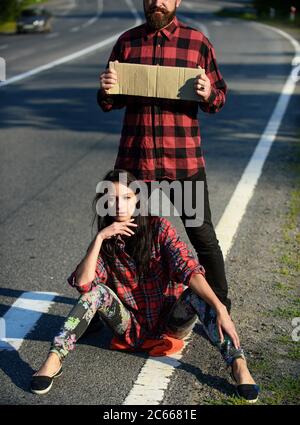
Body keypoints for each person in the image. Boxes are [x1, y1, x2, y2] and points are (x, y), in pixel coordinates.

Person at [31, 169, 259, 403]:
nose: (120, 205)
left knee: (199, 296)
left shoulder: (158, 228)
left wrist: (220, 308)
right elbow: (83, 283)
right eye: (112, 199)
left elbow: (188, 268)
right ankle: (53, 359)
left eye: (126, 198)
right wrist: (99, 238)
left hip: (169, 322)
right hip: (129, 325)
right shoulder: (107, 239)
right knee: (95, 293)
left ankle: (238, 364)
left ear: (137, 198)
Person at [97, 0, 231, 312]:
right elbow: (107, 102)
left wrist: (209, 93)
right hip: (134, 165)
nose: (157, 2)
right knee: (120, 235)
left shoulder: (197, 43)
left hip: (183, 163)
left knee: (203, 238)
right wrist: (106, 89)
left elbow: (219, 99)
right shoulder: (126, 43)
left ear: (177, 1)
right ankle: (107, 306)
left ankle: (221, 307)